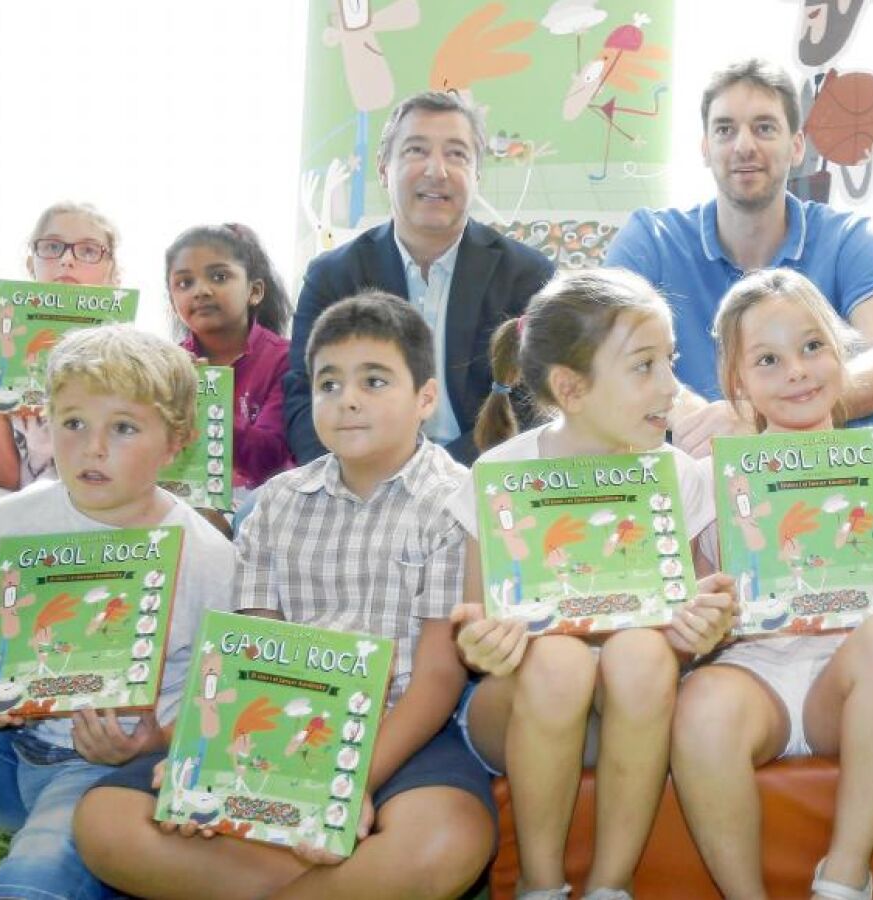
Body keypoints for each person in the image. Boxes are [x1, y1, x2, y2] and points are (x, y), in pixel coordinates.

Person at [74, 294, 494, 898]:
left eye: (374, 381)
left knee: (447, 843)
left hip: (403, 730)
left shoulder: (457, 501)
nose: (348, 399)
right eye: (329, 384)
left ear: (425, 399)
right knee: (104, 823)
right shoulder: (276, 502)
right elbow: (253, 656)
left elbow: (436, 677)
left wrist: (348, 787)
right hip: (280, 726)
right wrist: (214, 762)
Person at [450, 268, 737, 900]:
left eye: (670, 361)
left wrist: (703, 627)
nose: (671, 387)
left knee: (641, 651)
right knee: (558, 659)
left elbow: (689, 616)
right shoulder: (500, 474)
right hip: (523, 705)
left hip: (630, 708)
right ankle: (540, 883)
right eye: (643, 366)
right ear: (570, 388)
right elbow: (474, 631)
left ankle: (611, 884)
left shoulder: (678, 475)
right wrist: (482, 643)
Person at [667, 268, 873, 900]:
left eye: (813, 346)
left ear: (841, 353)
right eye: (768, 360)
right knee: (701, 705)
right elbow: (689, 622)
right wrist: (701, 612)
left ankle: (844, 876)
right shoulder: (706, 481)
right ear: (737, 383)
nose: (797, 371)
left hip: (844, 686)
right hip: (752, 674)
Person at [0, 326, 235, 896]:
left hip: (103, 769)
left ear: (176, 442)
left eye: (123, 428)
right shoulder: (6, 521)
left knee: (30, 888)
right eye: (74, 422)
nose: (92, 447)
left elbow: (221, 705)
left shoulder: (209, 557)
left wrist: (152, 742)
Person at [605, 58, 873, 456]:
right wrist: (697, 417)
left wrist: (758, 413)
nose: (744, 146)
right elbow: (603, 356)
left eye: (764, 128)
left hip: (832, 467)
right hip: (695, 467)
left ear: (797, 147)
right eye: (725, 129)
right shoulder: (651, 239)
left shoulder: (849, 238)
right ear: (705, 148)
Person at [283, 90, 555, 466]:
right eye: (416, 150)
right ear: (383, 170)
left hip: (481, 475)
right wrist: (358, 474)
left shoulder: (527, 276)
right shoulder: (333, 276)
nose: (436, 171)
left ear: (477, 174)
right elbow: (303, 395)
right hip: (363, 474)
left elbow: (537, 402)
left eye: (456, 154)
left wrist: (436, 478)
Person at [0, 202, 123, 549]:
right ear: (32, 263)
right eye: (52, 246)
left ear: (111, 272)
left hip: (104, 506)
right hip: (25, 508)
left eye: (89, 250)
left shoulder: (133, 354)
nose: (67, 260)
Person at [165, 223, 294, 495]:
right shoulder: (167, 367)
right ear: (172, 301)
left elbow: (268, 459)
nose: (201, 291)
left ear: (254, 291)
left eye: (219, 277)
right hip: (185, 504)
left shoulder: (285, 360)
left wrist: (205, 401)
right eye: (185, 283)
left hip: (262, 505)